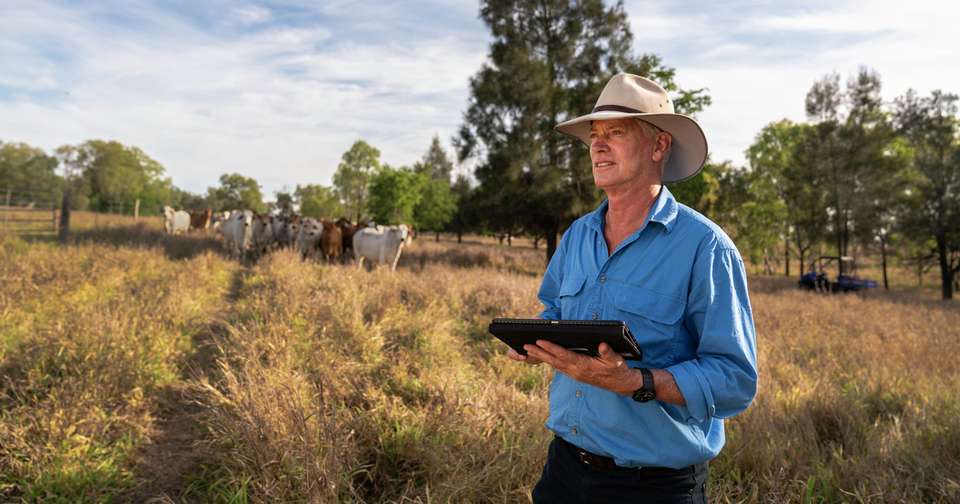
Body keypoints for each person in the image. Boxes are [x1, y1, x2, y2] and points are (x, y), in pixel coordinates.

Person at [507, 73, 758, 503]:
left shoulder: (705, 247)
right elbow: (552, 311)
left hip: (653, 486)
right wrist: (537, 339)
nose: (597, 146)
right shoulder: (578, 236)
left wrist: (635, 381)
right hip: (565, 470)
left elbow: (734, 380)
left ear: (659, 146)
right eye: (594, 136)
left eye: (616, 133)